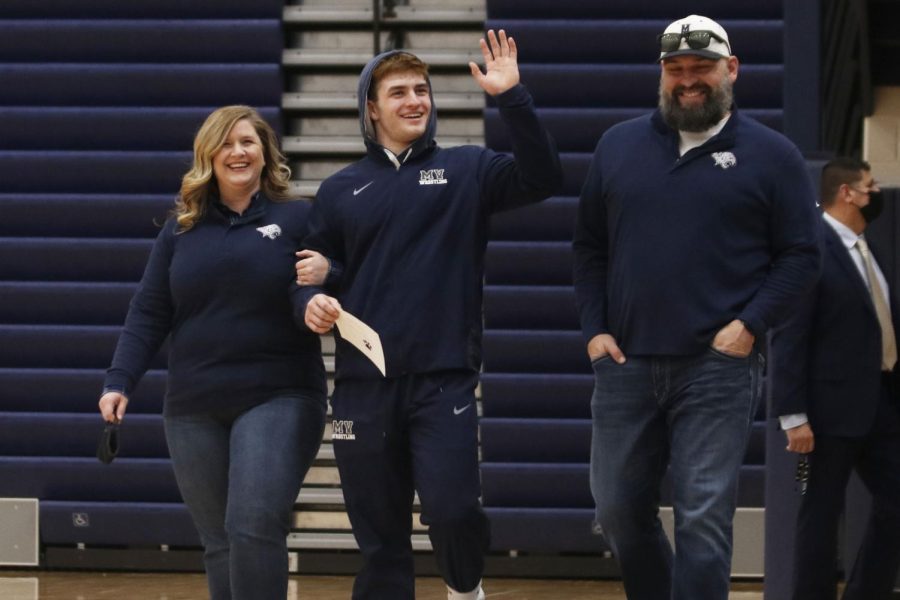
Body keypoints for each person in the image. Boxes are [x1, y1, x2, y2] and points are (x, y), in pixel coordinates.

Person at [293, 30, 562, 600]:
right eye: (399, 92)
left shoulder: (468, 170)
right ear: (372, 107)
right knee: (379, 536)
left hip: (443, 382)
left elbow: (543, 179)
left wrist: (512, 97)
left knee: (454, 509)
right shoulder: (341, 190)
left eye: (422, 90)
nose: (415, 100)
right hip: (363, 387)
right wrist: (311, 300)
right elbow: (312, 277)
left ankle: (465, 587)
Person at [572, 14, 822, 600]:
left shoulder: (772, 154)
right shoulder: (618, 145)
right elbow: (589, 247)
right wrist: (594, 329)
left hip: (719, 368)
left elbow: (802, 257)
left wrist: (749, 325)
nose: (689, 80)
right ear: (661, 75)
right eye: (676, 70)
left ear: (731, 69)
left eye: (701, 69)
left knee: (703, 519)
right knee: (615, 511)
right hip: (624, 364)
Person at [98, 105, 333, 600]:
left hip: (279, 395)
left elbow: (311, 289)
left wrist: (320, 293)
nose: (238, 151)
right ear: (208, 155)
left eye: (248, 142)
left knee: (252, 525)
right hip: (193, 405)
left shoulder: (298, 217)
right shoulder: (180, 229)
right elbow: (148, 311)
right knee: (220, 543)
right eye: (225, 143)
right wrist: (119, 381)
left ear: (266, 154)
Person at [770, 157, 900, 599]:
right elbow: (789, 336)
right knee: (821, 514)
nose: (875, 193)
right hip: (827, 413)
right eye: (870, 186)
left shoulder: (868, 248)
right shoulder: (810, 249)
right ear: (847, 193)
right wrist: (792, 414)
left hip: (880, 403)